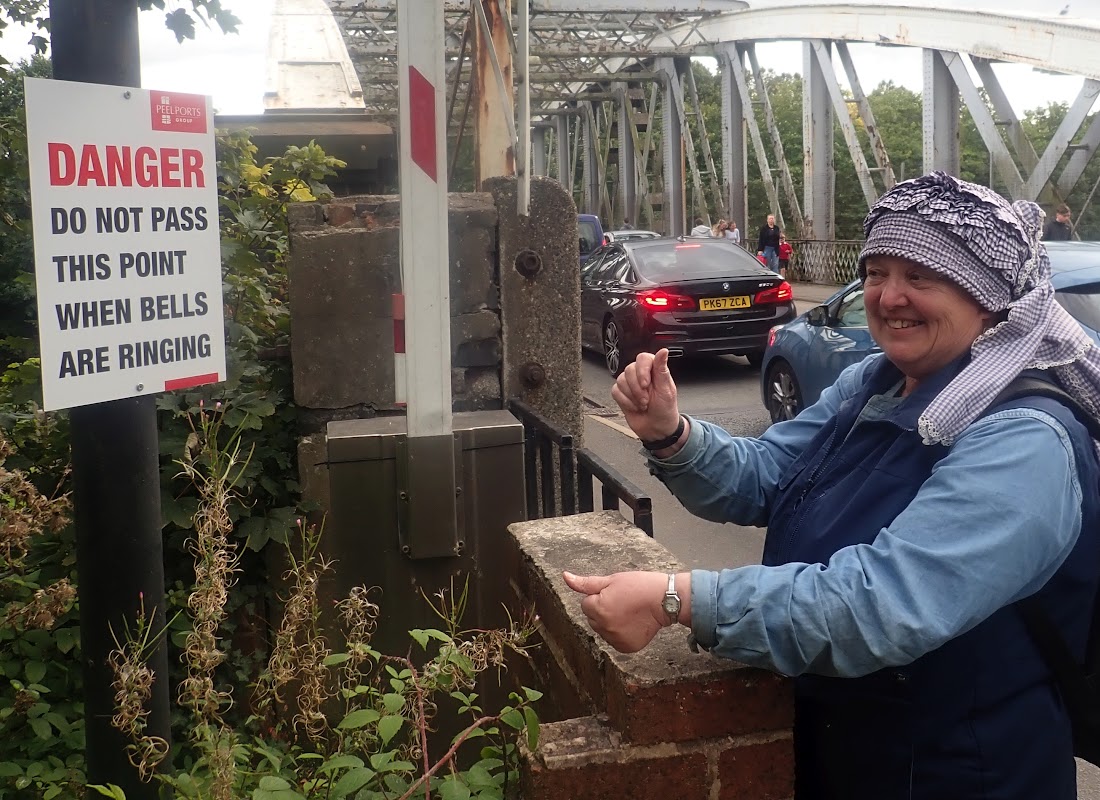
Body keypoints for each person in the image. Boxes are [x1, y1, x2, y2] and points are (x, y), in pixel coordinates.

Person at [563, 171, 1100, 799]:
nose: (889, 296)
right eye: (876, 272)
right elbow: (768, 476)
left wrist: (678, 600)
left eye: (921, 276)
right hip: (858, 753)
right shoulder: (875, 382)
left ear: (985, 297)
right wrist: (671, 434)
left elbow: (881, 605)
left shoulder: (1025, 438)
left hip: (963, 773)